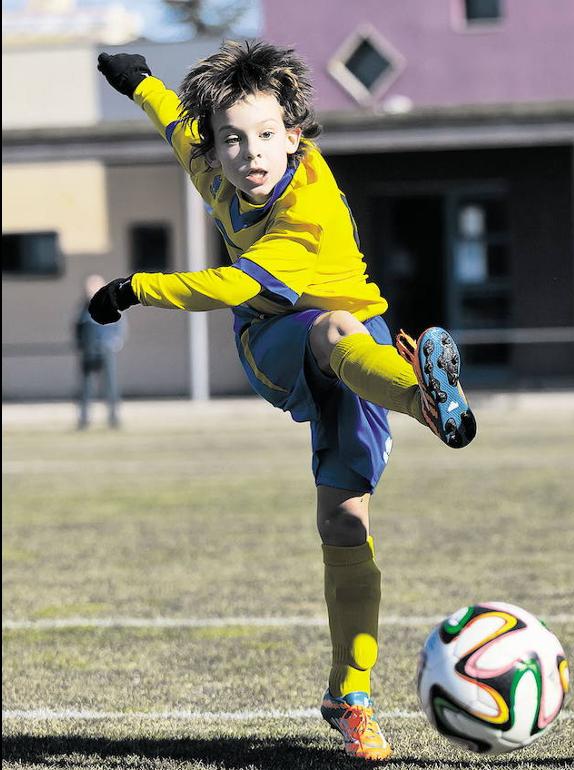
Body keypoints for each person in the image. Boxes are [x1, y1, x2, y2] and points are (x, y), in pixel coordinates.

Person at [92, 43, 478, 761]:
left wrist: (133, 288)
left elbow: (231, 283)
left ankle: (348, 696)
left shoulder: (308, 207)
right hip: (275, 342)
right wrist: (135, 77)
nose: (250, 153)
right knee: (329, 329)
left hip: (348, 345)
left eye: (267, 135)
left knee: (344, 522)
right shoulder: (215, 164)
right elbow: (175, 121)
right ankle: (422, 399)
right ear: (218, 143)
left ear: (295, 135)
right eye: (233, 138)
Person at [74, 274, 126, 429]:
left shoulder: (111, 304)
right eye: (88, 288)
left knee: (110, 386)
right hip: (88, 351)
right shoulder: (82, 308)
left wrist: (114, 342)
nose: (91, 290)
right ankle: (84, 420)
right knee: (86, 387)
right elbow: (77, 328)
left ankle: (113, 418)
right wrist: (81, 345)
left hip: (106, 349)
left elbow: (120, 327)